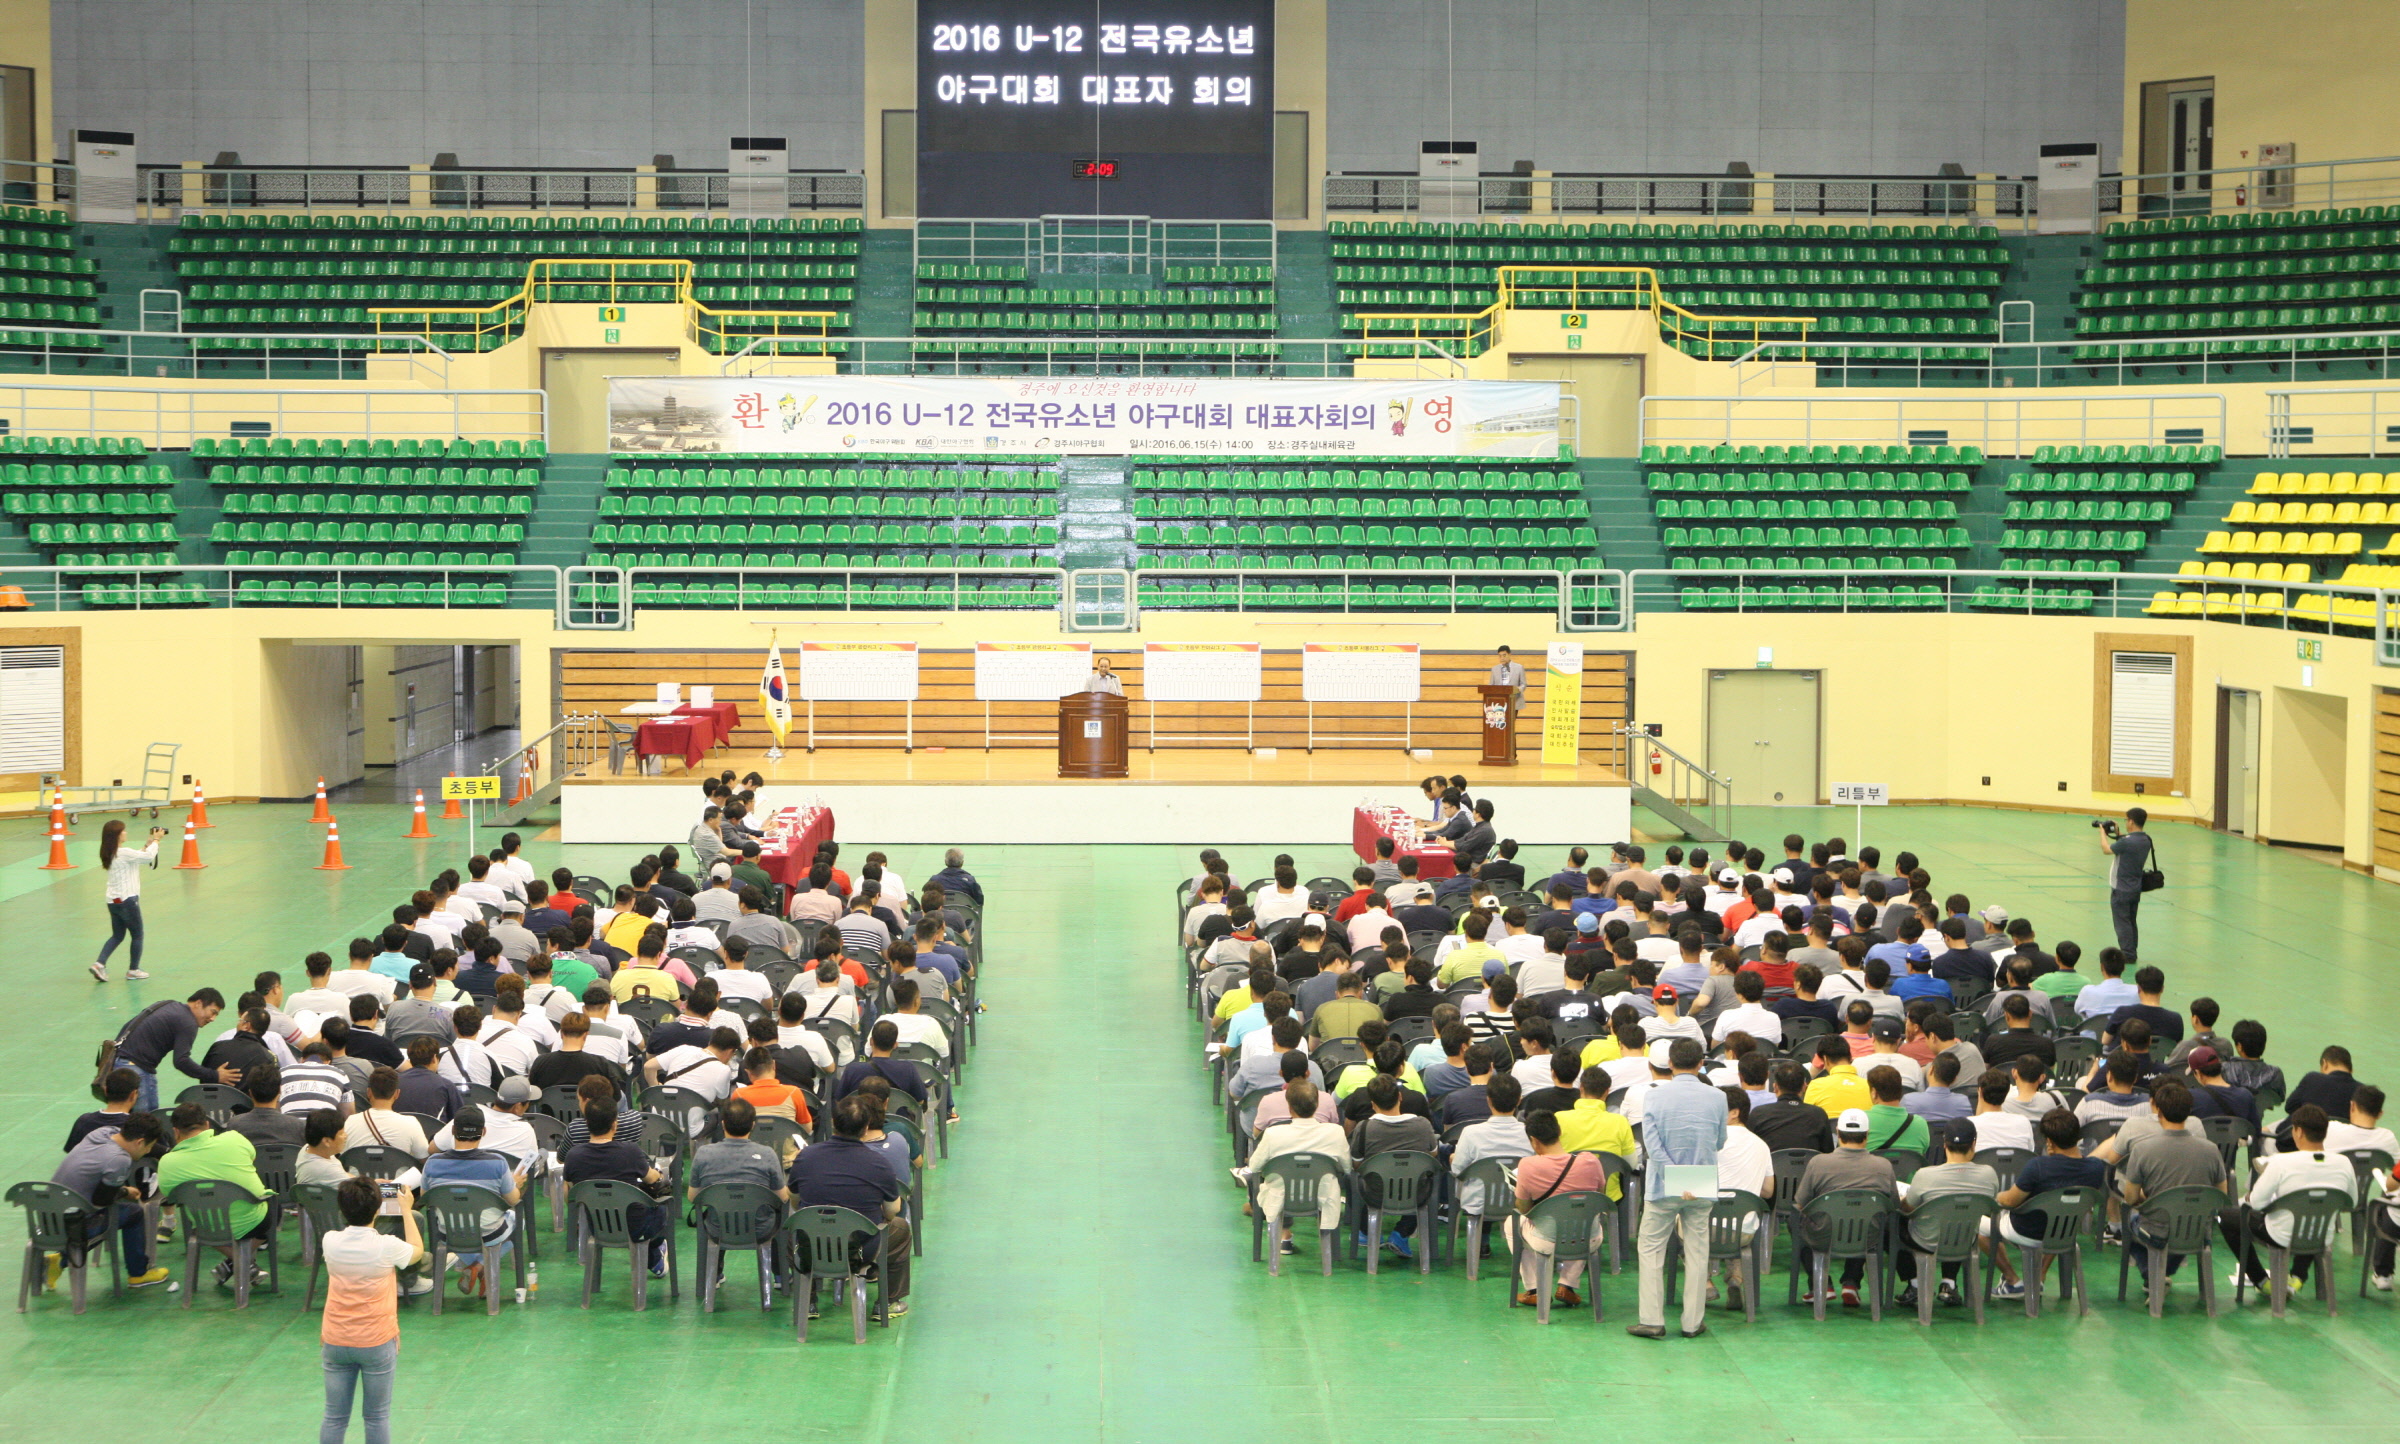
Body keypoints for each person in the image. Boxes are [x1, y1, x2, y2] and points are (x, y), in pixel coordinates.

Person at [1628, 1037, 1727, 1340]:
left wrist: (1675, 1175)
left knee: (1651, 1249)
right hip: (1701, 1182)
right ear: (1701, 1063)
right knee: (1698, 1252)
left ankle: (1652, 1320)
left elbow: (1652, 1146)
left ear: (1670, 1064)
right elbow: (1719, 1141)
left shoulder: (1654, 1097)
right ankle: (1692, 1322)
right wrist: (1689, 1177)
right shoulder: (1718, 1097)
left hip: (1664, 1184)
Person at [317, 1175, 424, 1444]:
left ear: (342, 1209)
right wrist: (406, 1211)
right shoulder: (386, 1246)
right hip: (376, 1341)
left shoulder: (330, 1241)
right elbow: (417, 1251)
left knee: (334, 1417)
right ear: (377, 1208)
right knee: (376, 1417)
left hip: (335, 1339)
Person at [788, 1095, 912, 1315]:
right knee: (901, 1229)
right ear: (865, 1128)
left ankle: (808, 1302)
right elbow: (892, 1211)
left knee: (789, 1229)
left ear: (833, 1122)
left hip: (811, 1248)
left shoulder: (805, 1156)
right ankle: (889, 1302)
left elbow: (795, 1202)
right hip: (861, 1251)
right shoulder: (879, 1164)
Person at [2223, 1103, 2359, 1295]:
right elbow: (2350, 1203)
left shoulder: (2280, 1162)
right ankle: (2297, 1276)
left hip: (2282, 1235)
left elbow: (2257, 1203)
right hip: (2321, 1235)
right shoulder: (2344, 1163)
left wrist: (2250, 1196)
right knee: (2314, 1215)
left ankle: (2262, 1281)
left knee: (2224, 1217)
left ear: (2299, 1132)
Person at [46, 1110, 171, 1291]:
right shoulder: (119, 1160)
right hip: (71, 1228)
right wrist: (124, 1191)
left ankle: (58, 1260)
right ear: (139, 1142)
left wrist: (167, 1152)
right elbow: (102, 1199)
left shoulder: (102, 1132)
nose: (149, 1151)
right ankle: (138, 1274)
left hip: (45, 1222)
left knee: (113, 1211)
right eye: (149, 1147)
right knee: (133, 1213)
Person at [1792, 1108, 1898, 1307]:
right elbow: (1893, 1206)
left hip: (1824, 1235)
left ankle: (1820, 1284)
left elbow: (1801, 1203)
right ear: (1867, 1135)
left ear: (1838, 1134)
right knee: (1866, 1221)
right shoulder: (1884, 1166)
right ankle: (1851, 1282)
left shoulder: (1819, 1163)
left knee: (1796, 1222)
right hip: (1867, 1238)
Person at [419, 1106, 521, 1300]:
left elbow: (426, 1197)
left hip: (448, 1232)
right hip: (490, 1232)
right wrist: (516, 1184)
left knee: (458, 1229)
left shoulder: (433, 1163)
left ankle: (476, 1267)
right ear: (483, 1132)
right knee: (517, 1219)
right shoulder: (497, 1163)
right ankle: (480, 1265)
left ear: (452, 1131)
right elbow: (513, 1199)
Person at [1894, 1120, 1998, 1307]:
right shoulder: (1989, 1175)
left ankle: (1916, 1284)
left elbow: (1908, 1208)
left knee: (1894, 1223)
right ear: (1974, 1143)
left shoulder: (1925, 1175)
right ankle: (1949, 1283)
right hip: (1966, 1239)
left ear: (1944, 1144)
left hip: (1927, 1240)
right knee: (1959, 1219)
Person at [1509, 1108, 1604, 1310]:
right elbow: (1600, 1196)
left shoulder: (1527, 1165)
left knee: (1512, 1223)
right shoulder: (1590, 1161)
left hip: (1548, 1240)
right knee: (1584, 1218)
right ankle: (1567, 1284)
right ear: (1559, 1131)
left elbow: (1523, 1208)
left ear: (1533, 1140)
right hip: (1588, 1238)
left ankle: (1535, 1289)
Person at [113, 987, 239, 1111]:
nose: (212, 1019)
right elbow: (181, 1061)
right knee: (146, 1122)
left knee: (125, 1118)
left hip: (119, 1064)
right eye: (213, 1012)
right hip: (137, 1069)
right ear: (198, 1003)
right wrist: (214, 1075)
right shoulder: (188, 1022)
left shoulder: (168, 1005)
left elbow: (129, 1025)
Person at [90, 819, 166, 981]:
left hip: (113, 901)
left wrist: (147, 844)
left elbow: (135, 858)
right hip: (128, 900)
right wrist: (157, 840)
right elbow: (147, 858)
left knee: (117, 935)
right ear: (117, 835)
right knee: (137, 934)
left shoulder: (111, 852)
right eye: (123, 831)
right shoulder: (123, 853)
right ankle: (133, 969)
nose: (125, 833)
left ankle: (99, 964)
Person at [2099, 807, 2154, 961]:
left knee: (2122, 923)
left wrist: (2103, 832)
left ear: (2131, 821)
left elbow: (2106, 849)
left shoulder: (2127, 842)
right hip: (2135, 888)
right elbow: (2127, 843)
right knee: (2130, 921)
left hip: (2120, 888)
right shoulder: (2145, 840)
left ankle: (2128, 954)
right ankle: (2132, 950)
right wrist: (2117, 834)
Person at [1488, 644, 1526, 719]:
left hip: (1514, 700)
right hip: (1499, 702)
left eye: (1504, 655)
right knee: (1500, 724)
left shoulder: (1519, 667)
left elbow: (1523, 684)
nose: (1502, 658)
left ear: (1509, 654)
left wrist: (1518, 689)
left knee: (1511, 723)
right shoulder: (1494, 669)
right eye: (1500, 656)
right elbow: (1491, 685)